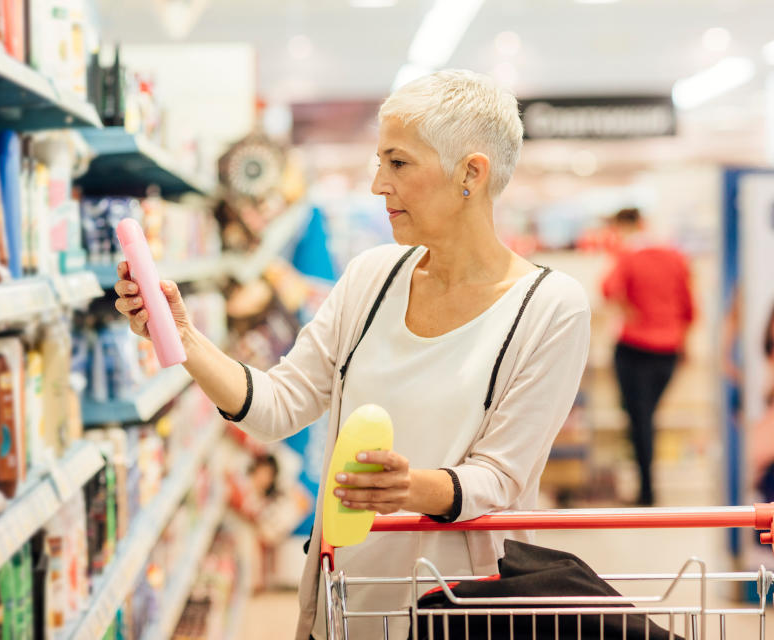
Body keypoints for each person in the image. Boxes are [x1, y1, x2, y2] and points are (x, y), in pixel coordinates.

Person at [114, 69, 591, 639]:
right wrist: (184, 338)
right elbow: (278, 405)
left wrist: (408, 488)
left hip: (464, 611)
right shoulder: (372, 278)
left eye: (398, 163)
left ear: (471, 172)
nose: (377, 185)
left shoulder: (549, 307)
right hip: (347, 604)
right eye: (379, 162)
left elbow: (498, 478)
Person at [602, 207, 695, 506]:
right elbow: (690, 309)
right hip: (668, 351)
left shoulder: (628, 255)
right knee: (647, 418)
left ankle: (647, 493)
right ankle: (647, 489)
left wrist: (630, 311)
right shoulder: (676, 256)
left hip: (634, 348)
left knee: (639, 420)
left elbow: (608, 289)